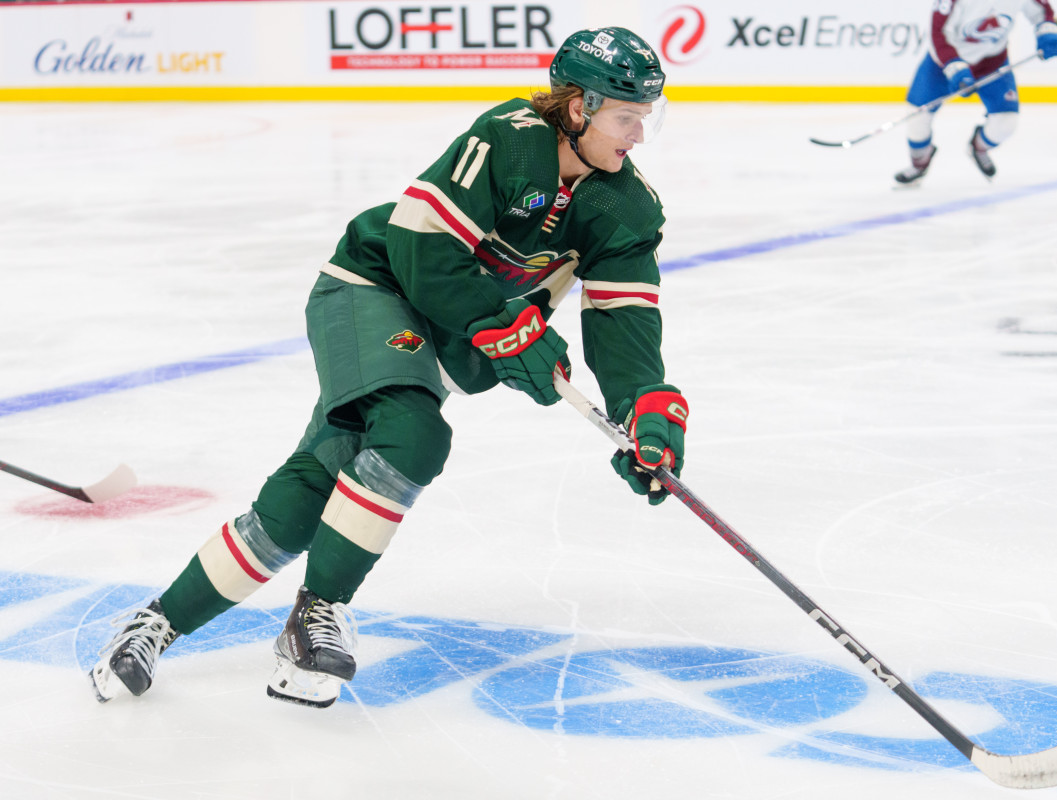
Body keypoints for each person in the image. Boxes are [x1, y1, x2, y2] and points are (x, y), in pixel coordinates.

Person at [89, 26, 689, 709]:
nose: (638, 134)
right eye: (626, 116)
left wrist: (646, 405)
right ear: (578, 107)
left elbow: (624, 321)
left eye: (646, 117)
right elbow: (419, 246)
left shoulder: (625, 208)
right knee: (413, 431)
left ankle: (154, 623)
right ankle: (314, 618)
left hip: (437, 333)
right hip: (372, 287)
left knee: (304, 499)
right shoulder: (510, 138)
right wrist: (501, 324)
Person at [894, 0, 1057, 185]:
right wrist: (954, 67)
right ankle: (919, 163)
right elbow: (938, 32)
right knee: (916, 120)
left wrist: (1047, 30)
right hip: (943, 63)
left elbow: (1042, 11)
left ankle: (978, 147)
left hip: (992, 63)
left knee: (1006, 123)